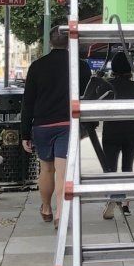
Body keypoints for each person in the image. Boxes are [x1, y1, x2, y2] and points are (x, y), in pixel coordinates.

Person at [20, 26, 98, 223]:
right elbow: (87, 96)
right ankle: (60, 214)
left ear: (50, 42)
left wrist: (24, 134)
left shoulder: (37, 66)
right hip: (67, 123)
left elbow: (28, 102)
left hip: (42, 125)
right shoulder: (80, 66)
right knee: (63, 171)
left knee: (46, 169)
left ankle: (46, 208)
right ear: (70, 42)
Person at [93, 51, 134, 219]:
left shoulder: (106, 85)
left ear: (113, 68)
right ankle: (126, 204)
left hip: (111, 132)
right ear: (130, 67)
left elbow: (97, 109)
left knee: (111, 169)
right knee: (127, 167)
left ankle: (112, 197)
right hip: (131, 133)